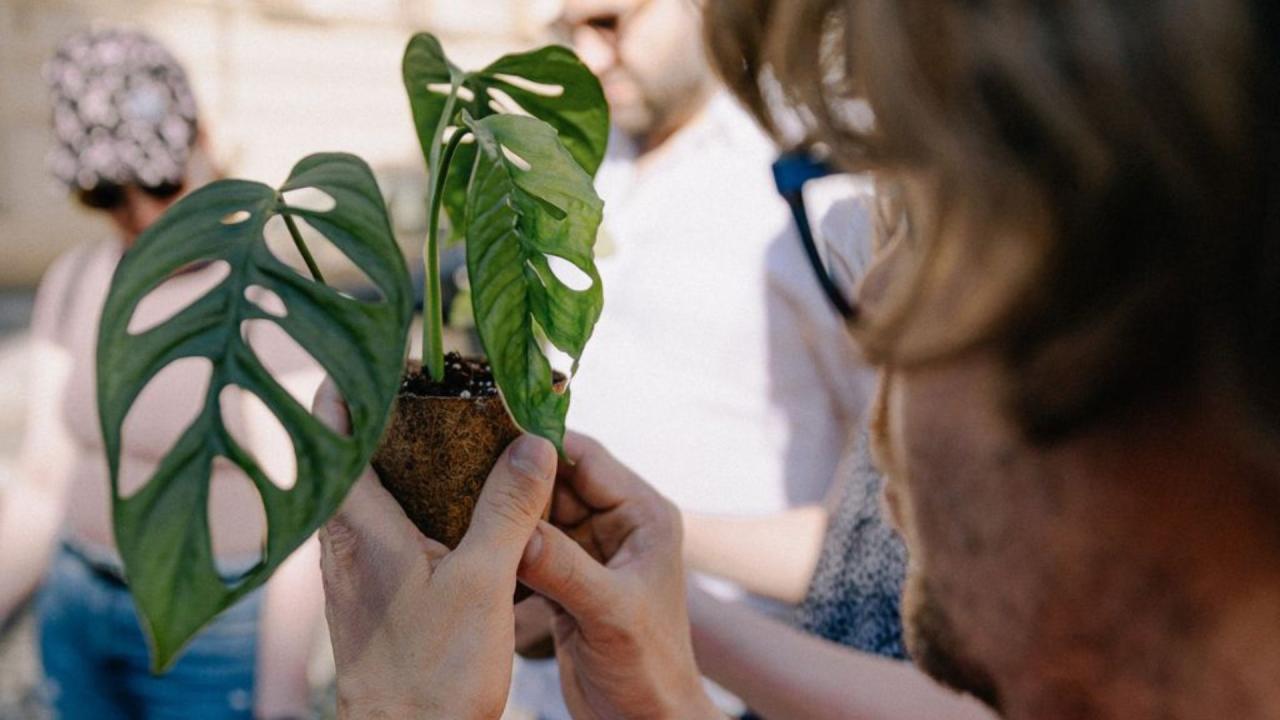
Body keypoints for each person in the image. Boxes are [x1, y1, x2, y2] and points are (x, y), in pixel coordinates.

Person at [315, 0, 1280, 718]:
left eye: (908, 210)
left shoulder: (762, 199)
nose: (873, 301)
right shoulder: (581, 171)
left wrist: (400, 711)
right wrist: (663, 686)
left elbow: (854, 544)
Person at [515, 0, 875, 714]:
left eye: (611, 23)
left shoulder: (808, 184)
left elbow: (886, 534)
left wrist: (627, 535)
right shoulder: (574, 163)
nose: (587, 57)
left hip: (731, 690)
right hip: (543, 683)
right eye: (566, 30)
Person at [0, 28, 323, 720]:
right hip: (76, 607)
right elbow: (40, 482)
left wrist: (283, 696)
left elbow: (301, 521)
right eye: (109, 195)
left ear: (203, 138)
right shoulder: (79, 279)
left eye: (159, 182)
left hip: (211, 634)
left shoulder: (268, 299)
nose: (146, 218)